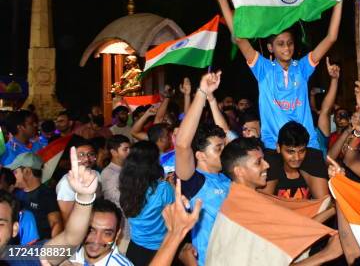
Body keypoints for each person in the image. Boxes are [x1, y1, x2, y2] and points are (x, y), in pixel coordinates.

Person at [211, 0, 350, 152]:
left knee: (321, 182)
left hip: (307, 145)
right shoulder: (263, 68)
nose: (287, 47)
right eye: (280, 44)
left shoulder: (302, 67)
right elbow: (239, 39)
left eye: (290, 43)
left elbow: (331, 37)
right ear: (270, 48)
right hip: (273, 146)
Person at [219, 137, 342, 265]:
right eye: (258, 162)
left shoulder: (247, 200)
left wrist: (337, 199)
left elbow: (297, 228)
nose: (267, 165)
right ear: (239, 171)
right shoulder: (242, 211)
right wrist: (326, 254)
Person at [175, 71, 231, 265]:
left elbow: (226, 135)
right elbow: (182, 145)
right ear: (200, 155)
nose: (225, 152)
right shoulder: (194, 182)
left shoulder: (228, 176)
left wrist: (212, 100)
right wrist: (201, 92)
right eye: (218, 149)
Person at [119, 141, 174, 265]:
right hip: (159, 249)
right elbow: (175, 216)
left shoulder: (126, 186)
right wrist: (173, 186)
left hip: (134, 248)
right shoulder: (163, 188)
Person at [262, 121, 329, 199]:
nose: (297, 157)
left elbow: (324, 203)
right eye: (290, 152)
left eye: (301, 151)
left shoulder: (313, 158)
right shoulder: (270, 161)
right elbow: (263, 205)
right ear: (278, 147)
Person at [10, 153, 63, 239]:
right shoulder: (15, 193)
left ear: (27, 171)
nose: (12, 176)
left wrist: (52, 249)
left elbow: (56, 223)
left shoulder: (46, 195)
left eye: (15, 172)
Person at [68, 199, 133, 266]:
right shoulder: (64, 253)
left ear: (117, 235)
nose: (96, 240)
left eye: (107, 234)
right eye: (90, 230)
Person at [56, 139, 101, 225]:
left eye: (91, 154)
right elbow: (67, 219)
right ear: (72, 158)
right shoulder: (66, 183)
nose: (86, 159)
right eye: (81, 155)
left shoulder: (96, 174)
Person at [100, 135, 131, 251]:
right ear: (113, 152)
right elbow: (116, 199)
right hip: (121, 227)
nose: (130, 152)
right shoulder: (108, 173)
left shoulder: (126, 170)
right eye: (125, 149)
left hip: (129, 225)